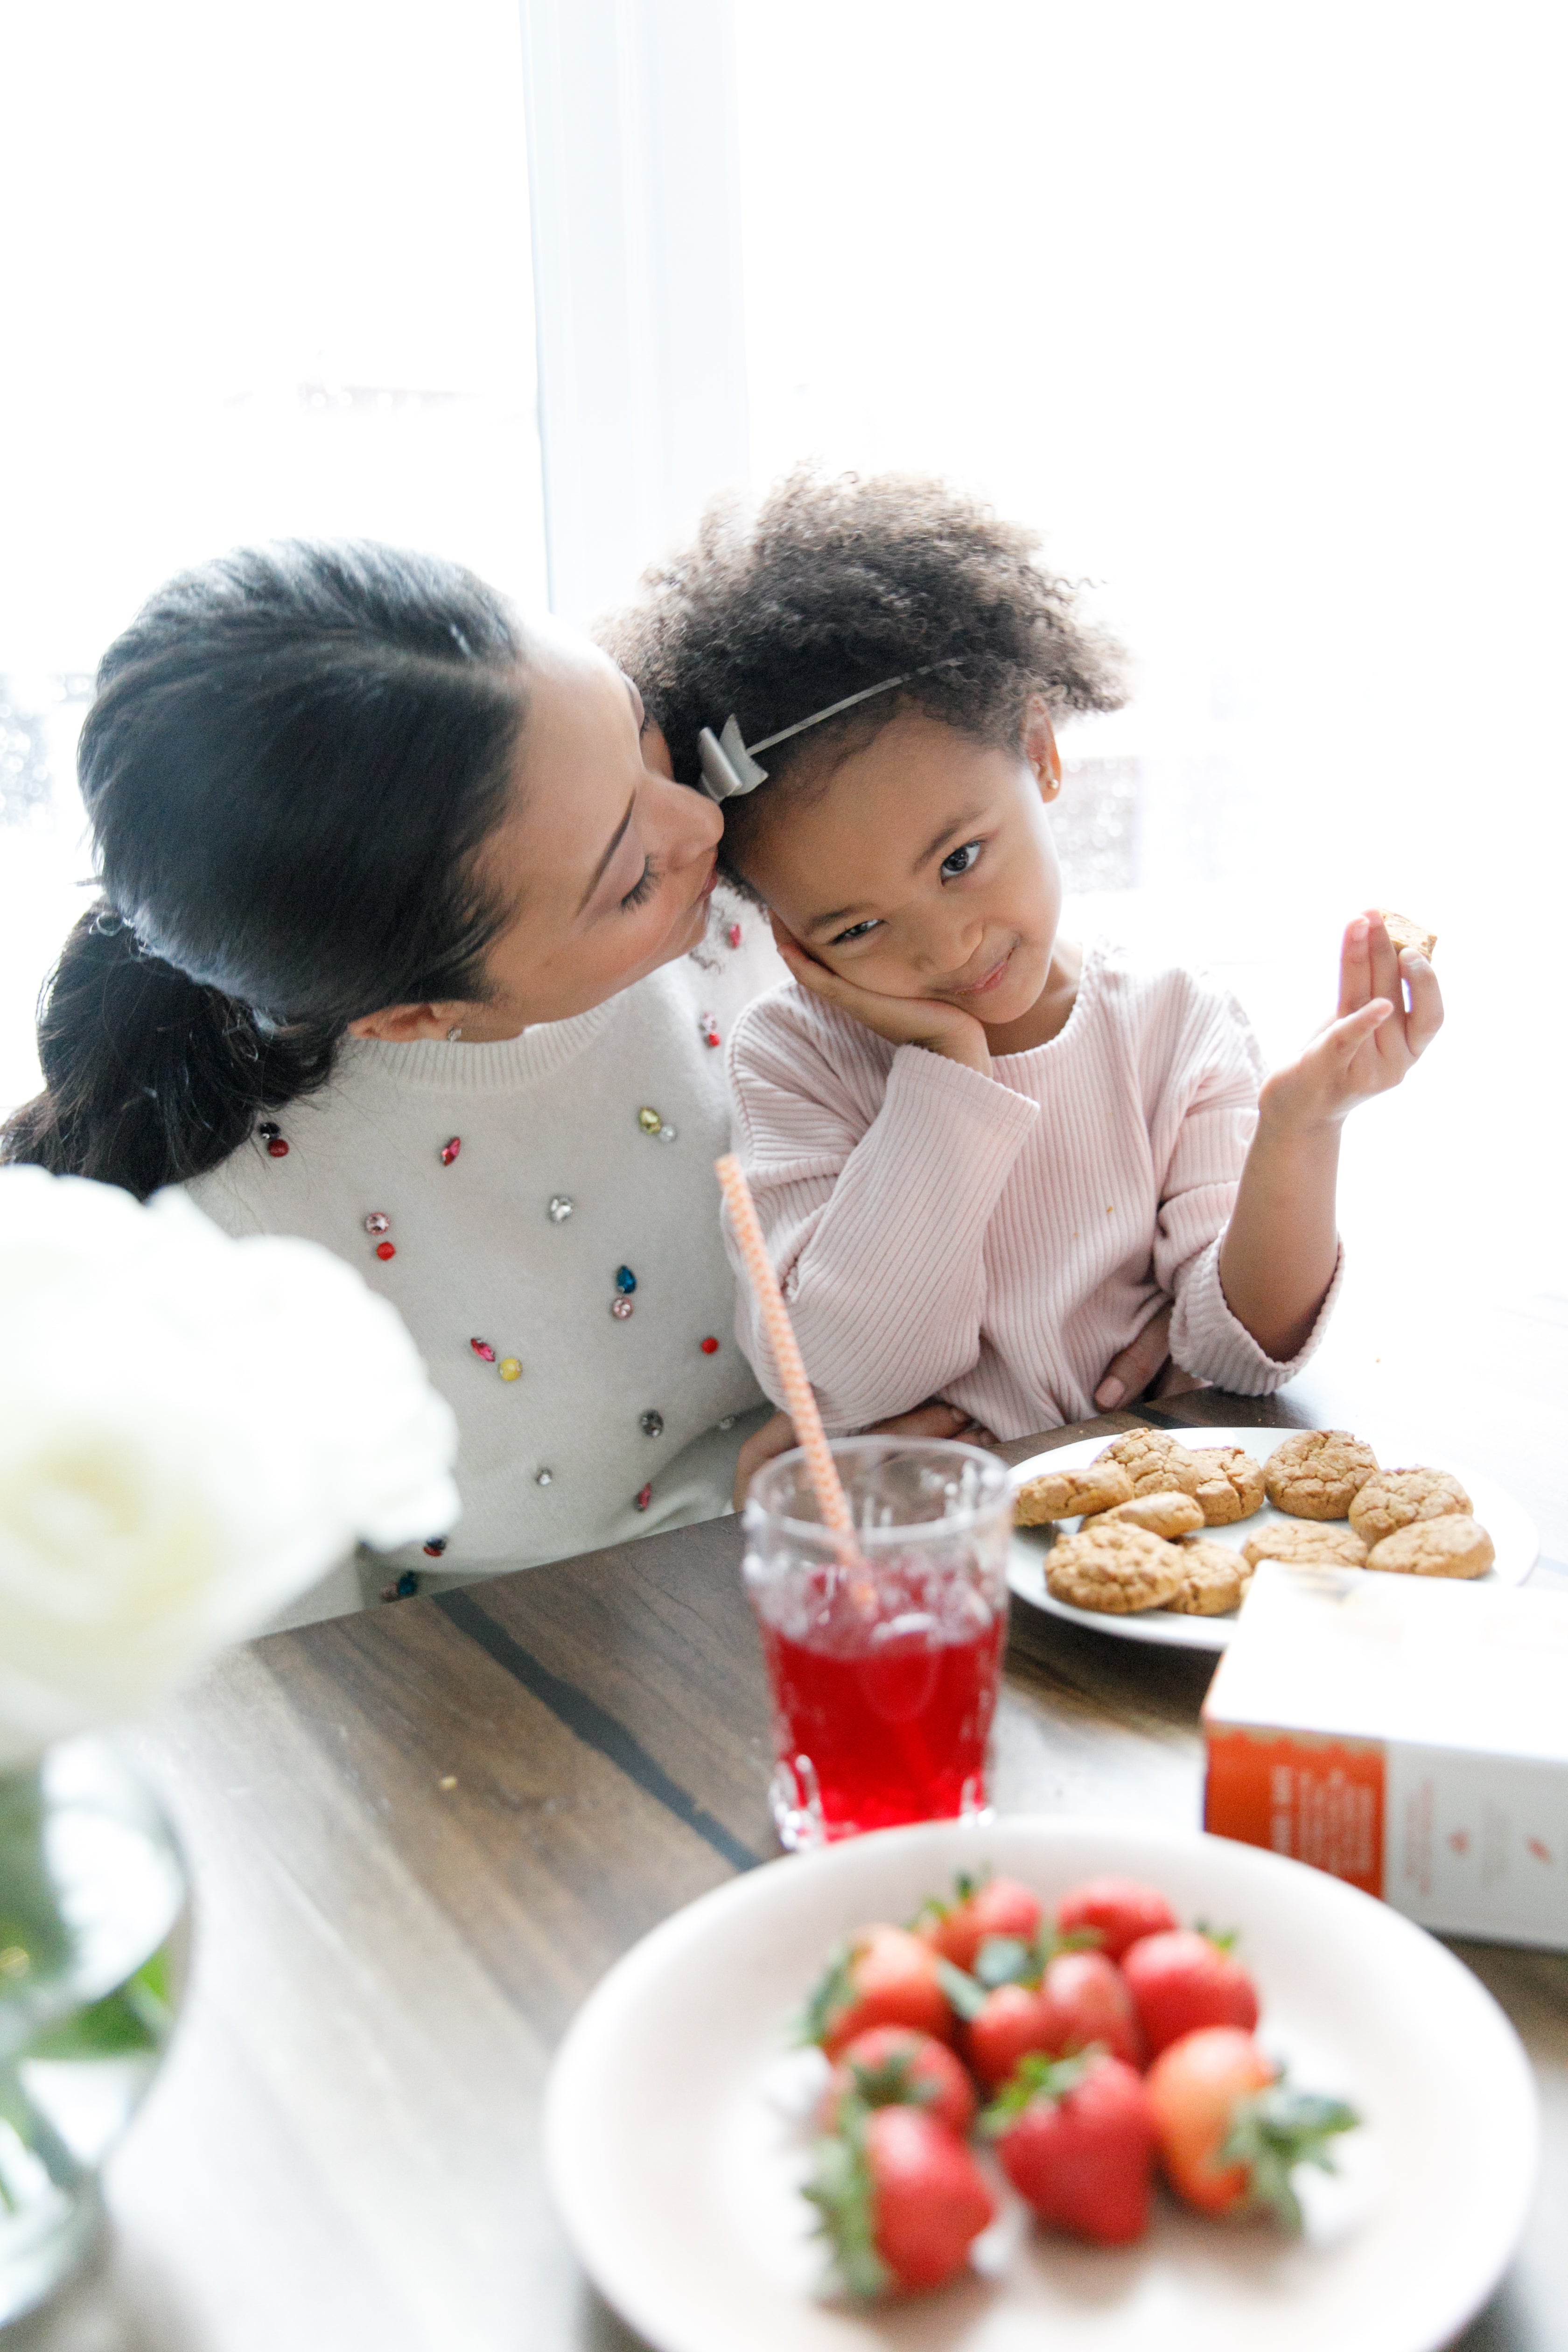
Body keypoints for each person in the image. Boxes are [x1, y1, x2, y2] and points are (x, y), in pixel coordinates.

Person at [1, 539, 804, 1605]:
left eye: (638, 735)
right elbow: (308, 1669)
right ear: (415, 1014)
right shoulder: (237, 1241)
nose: (704, 819)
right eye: (629, 880)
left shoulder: (753, 895)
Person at [604, 472, 1444, 1439]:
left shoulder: (1172, 1021)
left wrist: (1302, 1125)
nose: (948, 946)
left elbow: (1237, 1353)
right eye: (856, 929)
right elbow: (844, 1387)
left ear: (1040, 752)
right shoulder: (793, 1062)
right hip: (944, 1559)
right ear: (786, 936)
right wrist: (949, 1072)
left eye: (960, 860)